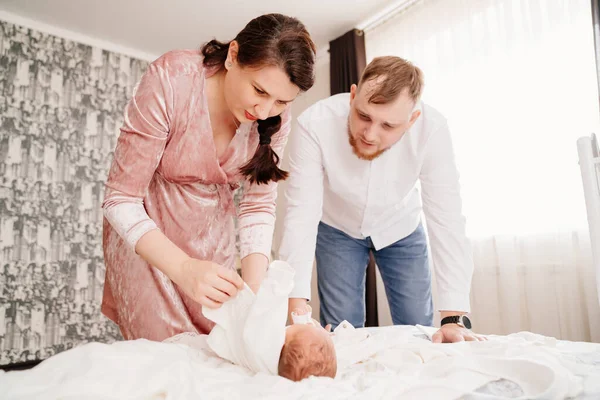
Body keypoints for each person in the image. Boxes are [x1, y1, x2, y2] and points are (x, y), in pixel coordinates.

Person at [101, 13, 316, 341]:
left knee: (219, 355)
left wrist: (254, 295)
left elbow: (257, 207)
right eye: (258, 90)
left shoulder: (274, 114)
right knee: (162, 363)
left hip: (213, 250)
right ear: (233, 56)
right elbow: (120, 199)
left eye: (282, 101)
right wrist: (184, 269)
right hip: (151, 248)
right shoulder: (172, 79)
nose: (264, 111)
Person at [279, 56, 481, 343]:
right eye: (364, 116)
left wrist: (454, 319)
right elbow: (300, 214)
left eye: (388, 126)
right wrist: (298, 311)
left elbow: (447, 219)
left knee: (418, 328)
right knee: (341, 332)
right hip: (337, 228)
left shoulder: (432, 130)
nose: (370, 135)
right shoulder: (314, 124)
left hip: (402, 228)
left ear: (412, 120)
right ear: (352, 96)